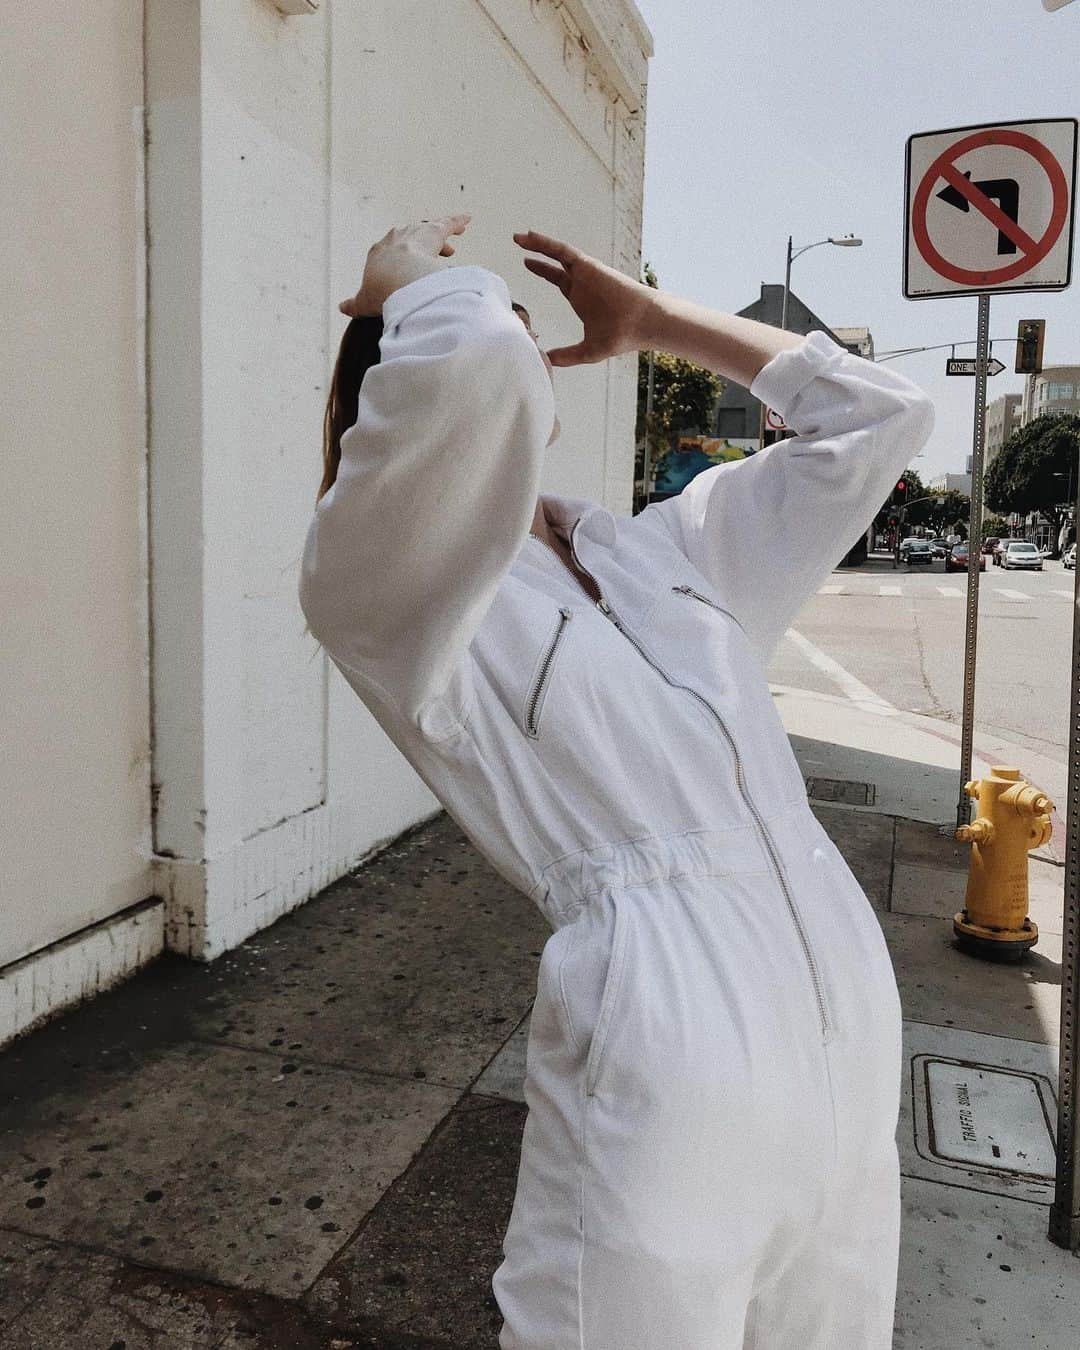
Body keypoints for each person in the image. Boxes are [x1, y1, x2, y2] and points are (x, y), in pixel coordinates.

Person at [299, 214, 935, 1350]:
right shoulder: (385, 586)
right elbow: (473, 363)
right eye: (506, 329)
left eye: (529, 330)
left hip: (842, 1016)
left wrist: (653, 323)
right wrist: (407, 281)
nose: (526, 353)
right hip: (669, 1028)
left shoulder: (664, 552)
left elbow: (879, 419)